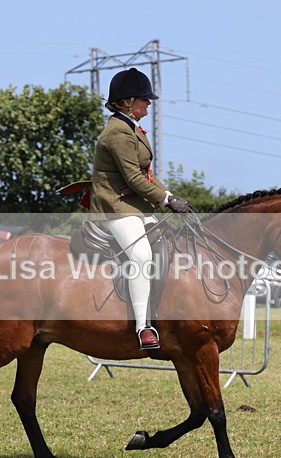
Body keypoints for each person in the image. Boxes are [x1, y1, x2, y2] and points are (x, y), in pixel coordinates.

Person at [88, 67, 191, 351]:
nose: (148, 104)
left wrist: (169, 195)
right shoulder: (117, 132)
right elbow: (133, 179)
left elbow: (145, 173)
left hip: (135, 205)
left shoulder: (131, 128)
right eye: (144, 100)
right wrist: (167, 201)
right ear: (127, 101)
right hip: (116, 207)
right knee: (142, 256)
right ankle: (143, 327)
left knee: (169, 244)